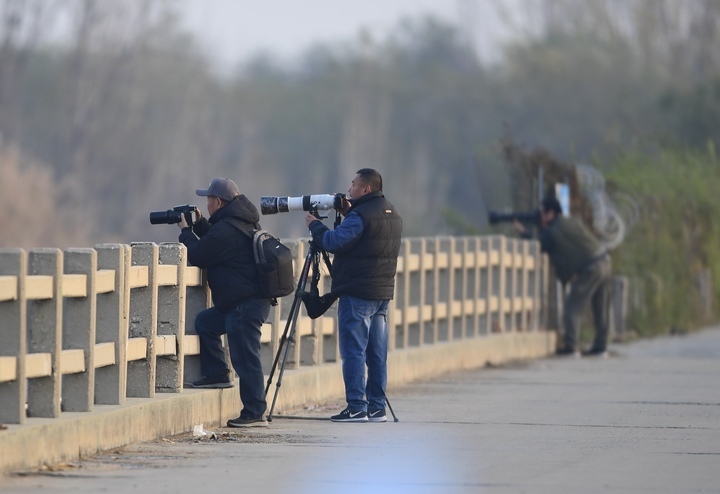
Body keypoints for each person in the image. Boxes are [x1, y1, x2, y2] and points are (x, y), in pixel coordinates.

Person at [304, 168, 402, 422]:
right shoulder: (391, 212)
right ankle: (376, 407)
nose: (349, 190)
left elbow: (334, 242)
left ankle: (357, 406)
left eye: (353, 185)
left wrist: (315, 226)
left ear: (366, 189)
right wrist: (349, 214)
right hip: (382, 293)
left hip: (358, 293)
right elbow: (368, 238)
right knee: (377, 353)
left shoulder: (361, 216)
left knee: (354, 352)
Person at [178, 177, 271, 427]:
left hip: (244, 304)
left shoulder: (227, 229)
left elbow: (200, 254)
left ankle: (254, 412)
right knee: (206, 322)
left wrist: (186, 232)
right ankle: (218, 373)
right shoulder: (238, 222)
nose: (206, 204)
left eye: (208, 200)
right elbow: (216, 243)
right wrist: (201, 226)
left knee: (245, 357)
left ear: (218, 202)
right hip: (241, 302)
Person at [516, 196, 612, 358]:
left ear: (551, 213)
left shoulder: (554, 231)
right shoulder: (569, 222)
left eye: (543, 213)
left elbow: (538, 245)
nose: (540, 217)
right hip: (604, 260)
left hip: (591, 267)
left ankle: (571, 345)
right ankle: (601, 347)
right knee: (600, 308)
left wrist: (524, 233)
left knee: (573, 306)